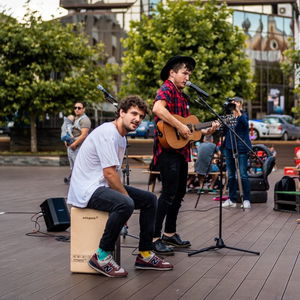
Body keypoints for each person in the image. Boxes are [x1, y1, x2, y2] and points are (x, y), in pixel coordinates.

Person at [67, 95, 173, 278]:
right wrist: (125, 199)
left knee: (149, 199)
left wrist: (123, 196)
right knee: (125, 203)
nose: (137, 119)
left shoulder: (121, 137)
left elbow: (110, 176)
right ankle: (101, 256)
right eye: (133, 114)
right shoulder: (109, 133)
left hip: (101, 185)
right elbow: (110, 174)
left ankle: (145, 254)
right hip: (87, 189)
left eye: (141, 116)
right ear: (121, 113)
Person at [152, 55, 218, 255]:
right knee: (167, 193)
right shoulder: (167, 88)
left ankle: (170, 234)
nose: (187, 77)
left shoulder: (183, 96)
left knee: (179, 193)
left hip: (181, 151)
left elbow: (189, 131)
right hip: (167, 152)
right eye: (184, 73)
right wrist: (180, 125)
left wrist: (205, 131)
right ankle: (154, 237)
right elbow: (157, 109)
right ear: (172, 73)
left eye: (189, 74)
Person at [222, 97, 252, 209]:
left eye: (237, 102)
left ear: (241, 104)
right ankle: (232, 199)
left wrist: (238, 111)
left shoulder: (244, 115)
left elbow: (245, 124)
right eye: (233, 103)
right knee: (231, 175)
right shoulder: (229, 117)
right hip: (229, 147)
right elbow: (224, 131)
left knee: (243, 174)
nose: (234, 104)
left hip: (241, 148)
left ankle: (247, 200)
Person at [65, 102, 91, 184]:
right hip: (72, 147)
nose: (76, 109)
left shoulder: (85, 120)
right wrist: (66, 140)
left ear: (84, 109)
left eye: (79, 108)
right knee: (73, 167)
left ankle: (79, 183)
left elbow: (84, 135)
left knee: (79, 166)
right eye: (75, 107)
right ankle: (73, 179)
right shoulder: (75, 118)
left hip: (78, 148)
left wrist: (74, 144)